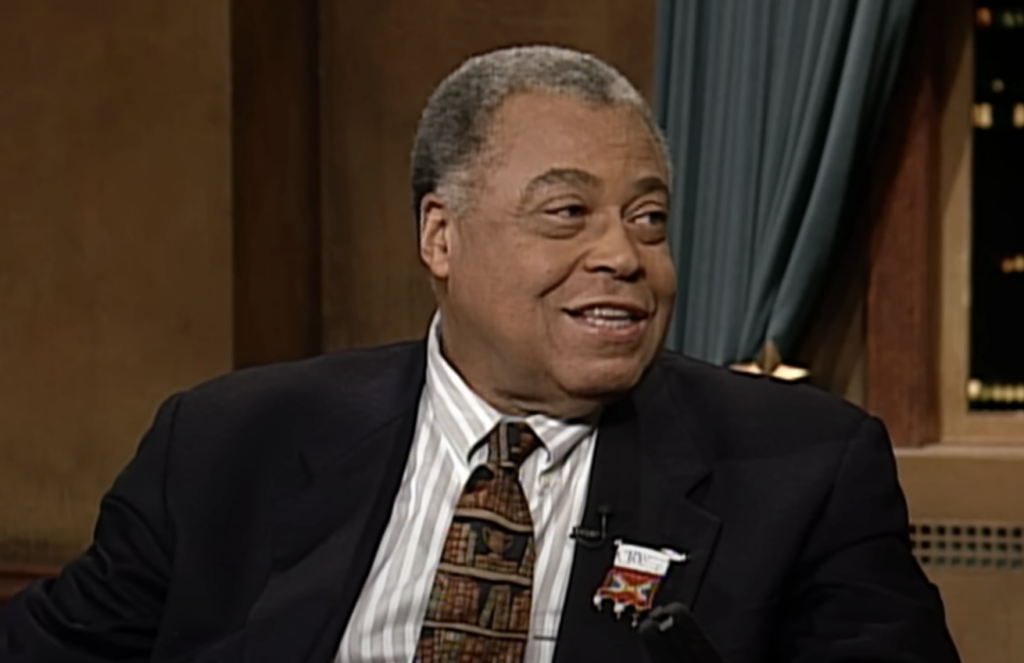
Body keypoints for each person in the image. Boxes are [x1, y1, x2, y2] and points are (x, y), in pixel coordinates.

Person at [0, 45, 959, 663]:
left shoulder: (801, 468)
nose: (624, 256)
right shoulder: (225, 443)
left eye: (649, 218)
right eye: (567, 213)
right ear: (440, 237)